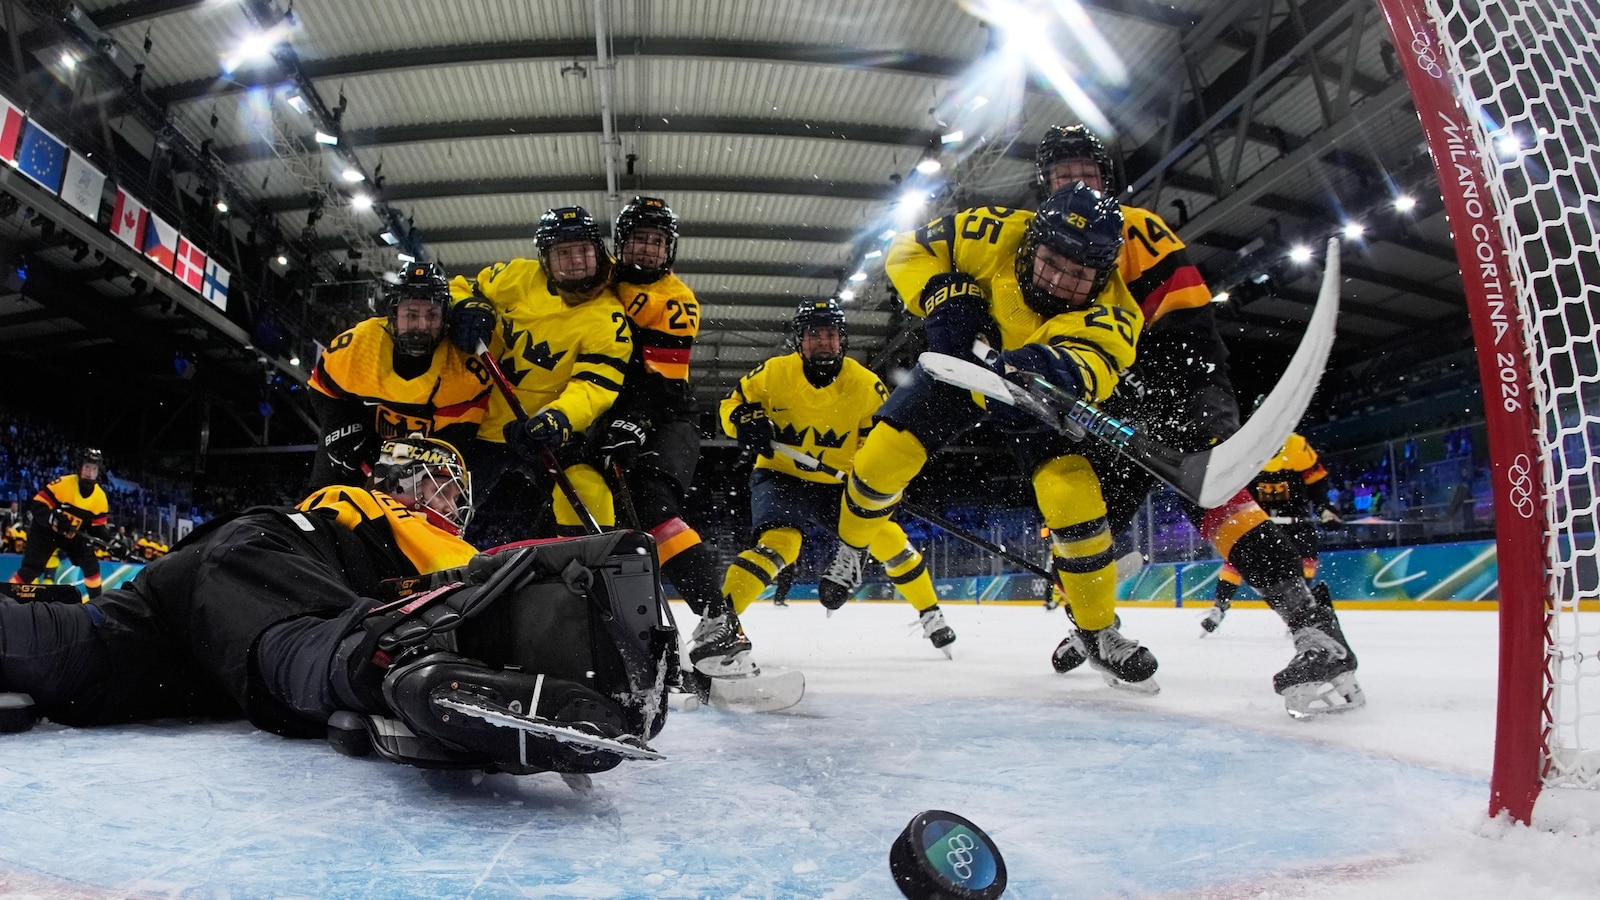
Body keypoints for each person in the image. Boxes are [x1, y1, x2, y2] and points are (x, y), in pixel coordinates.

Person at [0, 435, 667, 776]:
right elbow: (476, 584)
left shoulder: (346, 500)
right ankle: (381, 663)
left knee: (65, 647)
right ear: (413, 483)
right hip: (264, 578)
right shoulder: (402, 516)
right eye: (442, 487)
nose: (449, 506)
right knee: (317, 645)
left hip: (200, 607)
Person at [1034, 125, 1362, 714]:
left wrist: (1160, 395)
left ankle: (1314, 631)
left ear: (1104, 179)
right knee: (1084, 527)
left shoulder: (1133, 225)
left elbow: (1183, 325)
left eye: (1086, 172)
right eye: (1064, 176)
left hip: (1177, 389)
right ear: (1046, 184)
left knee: (1212, 498)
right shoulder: (1044, 243)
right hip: (1114, 403)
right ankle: (1090, 624)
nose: (1076, 183)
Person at [833, 183, 1158, 692]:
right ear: (1032, 242)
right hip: (961, 370)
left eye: (1079, 275)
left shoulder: (1118, 312)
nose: (1058, 281)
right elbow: (906, 247)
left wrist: (1049, 369)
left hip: (1033, 400)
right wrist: (944, 298)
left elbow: (1094, 365)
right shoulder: (993, 231)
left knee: (1073, 495)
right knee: (878, 461)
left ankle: (1097, 631)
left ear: (1103, 275)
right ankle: (850, 547)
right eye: (1052, 261)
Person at [701, 300, 953, 675]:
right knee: (781, 543)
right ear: (799, 340)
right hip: (780, 475)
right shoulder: (772, 373)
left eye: (831, 334)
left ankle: (930, 612)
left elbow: (878, 444)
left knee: (888, 538)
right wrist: (743, 419)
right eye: (814, 334)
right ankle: (719, 623)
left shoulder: (867, 385)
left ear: (842, 340)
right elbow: (732, 405)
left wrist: (871, 479)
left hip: (838, 486)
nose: (823, 341)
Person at [448, 206, 632, 545]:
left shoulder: (609, 316)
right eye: (563, 253)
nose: (575, 260)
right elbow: (459, 288)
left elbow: (594, 385)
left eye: (583, 250)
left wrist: (558, 419)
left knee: (588, 492)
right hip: (481, 425)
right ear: (546, 259)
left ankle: (590, 571)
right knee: (445, 504)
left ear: (598, 250)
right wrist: (466, 307)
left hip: (546, 432)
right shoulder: (517, 276)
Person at [589, 197, 727, 642]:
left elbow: (662, 386)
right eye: (638, 241)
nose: (647, 250)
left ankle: (720, 621)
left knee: (650, 503)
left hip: (667, 414)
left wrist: (632, 424)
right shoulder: (599, 279)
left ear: (669, 249)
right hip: (607, 412)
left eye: (657, 242)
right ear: (620, 244)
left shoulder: (676, 300)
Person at [307, 261, 492, 489]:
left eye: (432, 315)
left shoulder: (461, 366)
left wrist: (412, 475)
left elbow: (451, 445)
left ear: (446, 318)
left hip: (422, 461)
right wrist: (340, 429)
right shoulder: (360, 345)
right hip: (358, 449)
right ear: (392, 313)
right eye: (411, 315)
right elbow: (321, 387)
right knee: (321, 509)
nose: (422, 325)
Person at [1204, 432, 1340, 633]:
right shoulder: (1244, 447)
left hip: (1294, 511)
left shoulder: (1297, 446)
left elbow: (1316, 481)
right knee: (1240, 554)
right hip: (1255, 509)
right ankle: (1219, 606)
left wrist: (1324, 508)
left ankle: (1301, 609)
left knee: (1306, 552)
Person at [9, 448, 109, 598]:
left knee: (91, 564)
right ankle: (5, 598)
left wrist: (111, 542)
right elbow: (37, 505)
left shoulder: (100, 498)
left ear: (98, 472)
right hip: (46, 532)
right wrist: (52, 518)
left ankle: (98, 604)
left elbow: (97, 528)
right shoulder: (63, 484)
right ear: (80, 468)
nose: (90, 472)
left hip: (71, 535)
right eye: (87, 467)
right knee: (31, 569)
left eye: (94, 468)